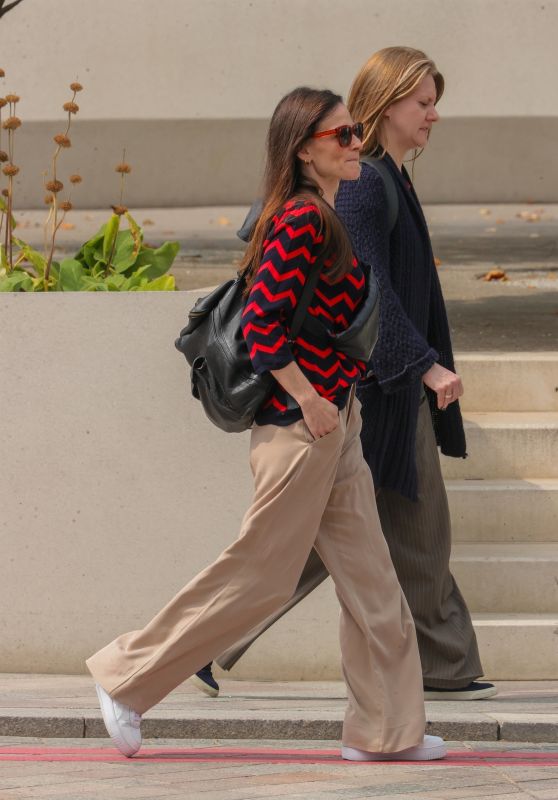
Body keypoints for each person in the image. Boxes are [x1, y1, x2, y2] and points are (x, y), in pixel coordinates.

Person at [87, 86, 446, 762]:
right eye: (342, 136)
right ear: (304, 148)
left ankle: (385, 732)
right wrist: (311, 400)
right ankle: (126, 678)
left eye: (356, 131)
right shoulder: (300, 221)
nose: (355, 144)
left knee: (374, 586)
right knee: (260, 576)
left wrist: (335, 408)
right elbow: (261, 327)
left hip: (336, 423)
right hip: (299, 427)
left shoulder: (327, 212)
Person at [197, 48, 496, 703]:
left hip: (377, 388)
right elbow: (371, 292)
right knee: (412, 525)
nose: (434, 114)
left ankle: (208, 643)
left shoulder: (384, 175)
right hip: (377, 390)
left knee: (329, 538)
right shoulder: (364, 185)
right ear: (388, 103)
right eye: (423, 102)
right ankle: (446, 663)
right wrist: (424, 365)